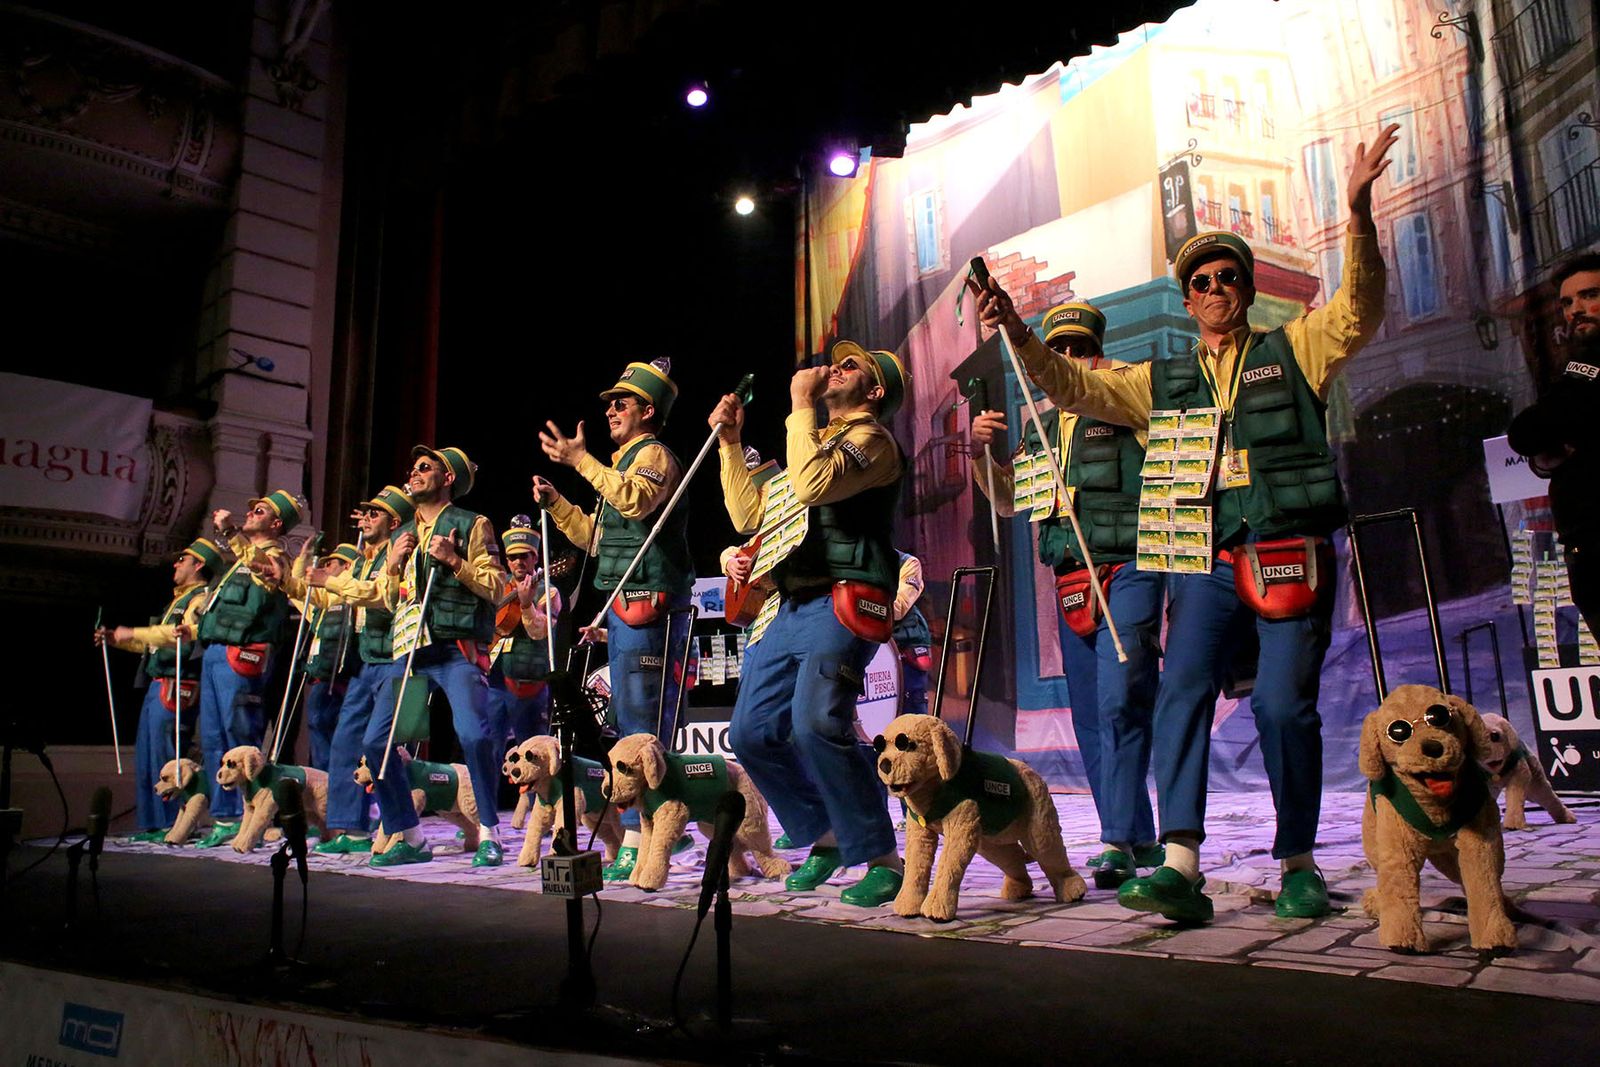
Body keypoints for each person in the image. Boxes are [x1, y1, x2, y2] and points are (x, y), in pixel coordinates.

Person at [976, 124, 1398, 922]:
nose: (1214, 286)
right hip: (1205, 557)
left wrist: (1359, 217)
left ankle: (1298, 859)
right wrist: (1019, 333)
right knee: (1179, 690)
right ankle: (1177, 861)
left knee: (1280, 705)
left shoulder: (1295, 348)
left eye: (1226, 275)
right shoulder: (1155, 380)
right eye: (1200, 278)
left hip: (1286, 548)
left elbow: (1359, 310)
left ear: (1244, 285)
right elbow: (1072, 387)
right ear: (1187, 295)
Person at [969, 300, 1164, 888]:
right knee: (1088, 715)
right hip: (1072, 580)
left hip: (1130, 564)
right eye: (1063, 352)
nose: (1073, 359)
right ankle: (1134, 838)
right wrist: (981, 452)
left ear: (1098, 351)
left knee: (1120, 697)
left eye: (1082, 348)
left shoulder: (1124, 395)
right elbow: (1010, 500)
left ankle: (1117, 838)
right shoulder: (1040, 426)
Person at [708, 341, 909, 907]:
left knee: (817, 722)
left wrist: (800, 403)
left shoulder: (874, 440)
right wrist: (730, 443)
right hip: (786, 605)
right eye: (836, 364)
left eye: (851, 368)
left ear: (873, 392)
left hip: (842, 598)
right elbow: (752, 514)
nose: (834, 370)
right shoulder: (813, 441)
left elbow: (811, 487)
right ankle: (824, 834)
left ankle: (881, 857)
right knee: (749, 732)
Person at [534, 359, 695, 881]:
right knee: (628, 724)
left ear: (648, 410)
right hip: (624, 608)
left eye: (620, 402)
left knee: (643, 726)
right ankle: (650, 828)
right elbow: (597, 541)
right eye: (608, 402)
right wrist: (559, 503)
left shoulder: (654, 457)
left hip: (651, 603)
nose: (610, 409)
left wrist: (581, 462)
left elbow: (636, 499)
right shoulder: (623, 462)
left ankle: (648, 833)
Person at [354, 447, 509, 869]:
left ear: (447, 479)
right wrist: (391, 566)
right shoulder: (401, 533)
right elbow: (389, 602)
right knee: (376, 743)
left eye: (426, 468)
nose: (415, 473)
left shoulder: (472, 524)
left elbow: (498, 587)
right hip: (408, 651)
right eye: (414, 467)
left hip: (454, 647)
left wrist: (454, 560)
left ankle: (490, 834)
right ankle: (410, 833)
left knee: (474, 737)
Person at [300, 485, 415, 855]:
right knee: (346, 741)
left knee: (381, 746)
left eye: (374, 513)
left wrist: (331, 580)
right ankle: (350, 827)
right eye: (364, 512)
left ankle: (401, 825)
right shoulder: (363, 560)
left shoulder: (402, 555)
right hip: (367, 662)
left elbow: (382, 595)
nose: (365, 519)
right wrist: (295, 575)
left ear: (394, 521)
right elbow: (326, 597)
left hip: (394, 659)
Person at [188, 490, 299, 848]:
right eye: (250, 509)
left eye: (260, 510)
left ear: (276, 523)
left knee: (242, 741)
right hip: (217, 651)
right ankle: (225, 817)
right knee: (214, 739)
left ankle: (254, 816)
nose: (250, 513)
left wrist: (232, 532)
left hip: (244, 654)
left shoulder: (275, 556)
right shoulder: (236, 560)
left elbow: (264, 578)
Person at [96, 538, 224, 842]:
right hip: (158, 683)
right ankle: (153, 823)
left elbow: (179, 636)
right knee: (148, 754)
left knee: (166, 754)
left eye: (184, 558)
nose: (176, 563)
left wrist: (133, 632)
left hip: (177, 683)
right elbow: (155, 641)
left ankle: (171, 822)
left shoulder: (201, 598)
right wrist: (118, 639)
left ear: (199, 564)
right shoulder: (176, 601)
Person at [1509, 252, 1600, 633]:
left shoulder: (1587, 369)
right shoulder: (1580, 367)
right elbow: (1529, 434)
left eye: (1589, 295)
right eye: (1567, 302)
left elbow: (1531, 430)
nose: (1575, 310)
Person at [488, 519, 563, 744]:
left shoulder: (548, 591)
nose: (518, 562)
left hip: (527, 681)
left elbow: (539, 631)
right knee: (489, 745)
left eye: (524, 556)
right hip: (494, 677)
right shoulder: (500, 586)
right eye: (513, 557)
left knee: (531, 749)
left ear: (535, 557)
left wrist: (526, 605)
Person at [291, 541, 361, 770]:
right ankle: (324, 777)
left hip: (347, 679)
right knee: (317, 724)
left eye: (330, 564)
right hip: (322, 677)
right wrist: (303, 559)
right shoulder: (321, 606)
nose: (325, 568)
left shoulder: (357, 602)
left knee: (337, 728)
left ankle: (340, 777)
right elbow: (298, 593)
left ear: (347, 566)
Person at [891, 550, 932, 717]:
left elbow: (898, 608)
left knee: (913, 718)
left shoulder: (907, 563)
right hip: (874, 645)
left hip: (906, 645)